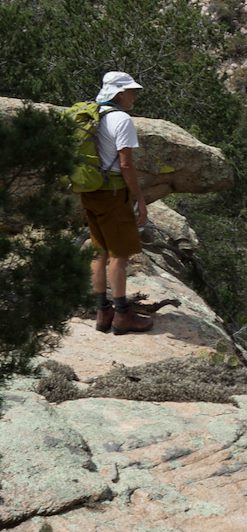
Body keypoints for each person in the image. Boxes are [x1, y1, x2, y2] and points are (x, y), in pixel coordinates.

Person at [80, 70, 155, 334]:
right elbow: (125, 163)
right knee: (119, 255)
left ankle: (103, 312)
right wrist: (139, 198)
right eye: (132, 91)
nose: (134, 96)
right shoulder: (121, 119)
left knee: (98, 251)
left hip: (90, 189)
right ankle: (123, 316)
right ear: (120, 93)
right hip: (112, 193)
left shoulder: (91, 115)